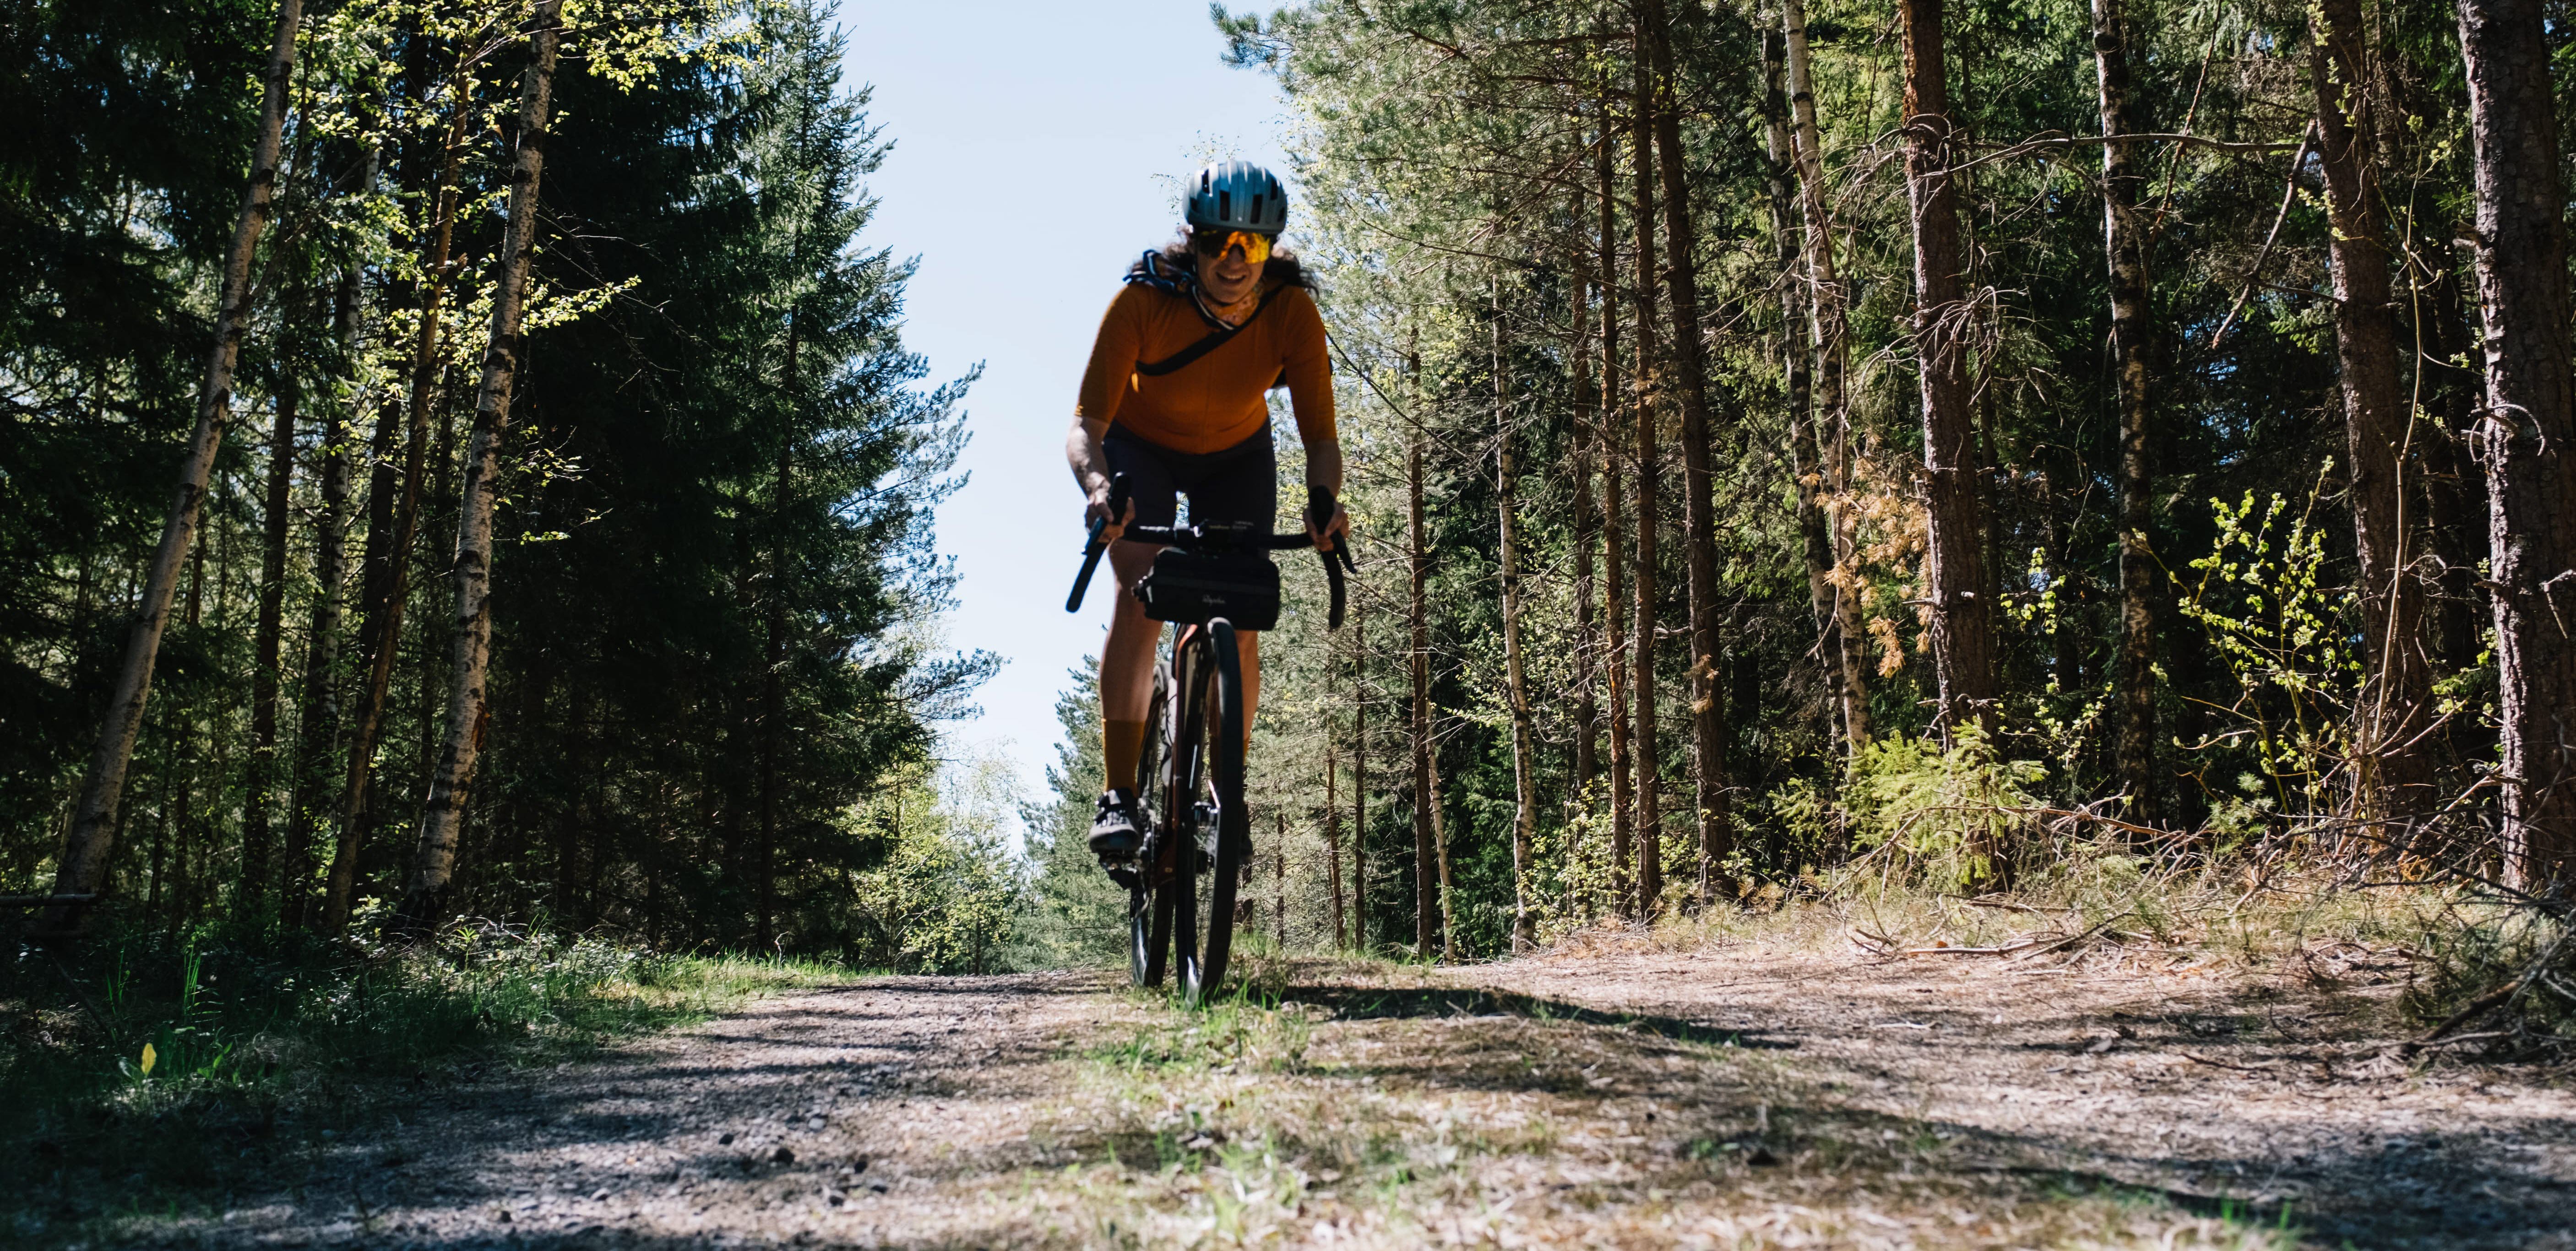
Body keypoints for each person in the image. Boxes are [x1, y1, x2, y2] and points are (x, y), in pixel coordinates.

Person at [1066, 160, 1348, 856]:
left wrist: (1323, 503)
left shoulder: (1291, 311)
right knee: (1142, 595)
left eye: (1249, 246)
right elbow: (1084, 428)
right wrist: (1100, 491)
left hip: (1235, 456)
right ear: (1192, 240)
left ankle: (1225, 795)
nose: (1233, 259)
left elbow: (1320, 438)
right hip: (1142, 448)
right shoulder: (1141, 303)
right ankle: (1118, 795)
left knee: (1241, 613)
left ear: (1269, 248)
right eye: (1219, 241)